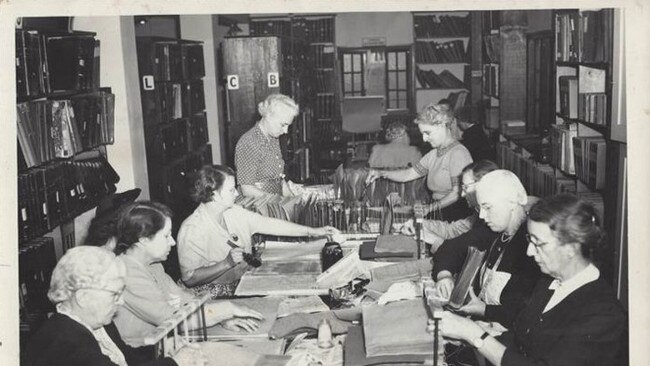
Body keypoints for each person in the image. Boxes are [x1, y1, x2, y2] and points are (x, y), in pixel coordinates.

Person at [438, 194, 627, 366]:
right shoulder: (549, 282)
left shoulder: (604, 314)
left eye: (539, 244)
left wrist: (474, 335)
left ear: (572, 247)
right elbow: (524, 340)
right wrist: (474, 333)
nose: (529, 252)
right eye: (530, 241)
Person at [112, 201, 264, 347]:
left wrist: (221, 317)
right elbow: (170, 319)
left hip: (163, 344)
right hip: (140, 356)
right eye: (166, 236)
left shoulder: (153, 265)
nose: (172, 242)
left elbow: (183, 299)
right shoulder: (127, 273)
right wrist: (226, 309)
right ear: (144, 240)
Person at [177, 165, 340, 298]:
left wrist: (313, 231)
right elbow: (190, 279)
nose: (236, 193)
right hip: (207, 297)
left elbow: (270, 224)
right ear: (214, 195)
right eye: (231, 190)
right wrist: (226, 264)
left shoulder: (234, 211)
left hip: (239, 284)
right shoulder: (192, 229)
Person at [24, 246, 204, 366]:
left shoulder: (97, 324)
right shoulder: (66, 341)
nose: (121, 301)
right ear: (84, 297)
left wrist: (162, 347)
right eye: (114, 295)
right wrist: (175, 363)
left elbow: (126, 357)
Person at [433, 170, 540, 331]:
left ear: (511, 203)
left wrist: (483, 310)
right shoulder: (492, 232)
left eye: (488, 207)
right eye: (480, 208)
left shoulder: (532, 248)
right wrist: (444, 276)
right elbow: (450, 247)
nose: (482, 216)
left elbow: (525, 313)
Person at [366, 103, 473, 221]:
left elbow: (457, 193)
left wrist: (429, 208)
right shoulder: (434, 154)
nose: (424, 139)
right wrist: (381, 173)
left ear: (442, 126)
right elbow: (409, 174)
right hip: (439, 211)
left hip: (454, 215)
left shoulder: (458, 153)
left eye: (427, 133)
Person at [401, 160, 499, 253]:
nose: (462, 195)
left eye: (465, 188)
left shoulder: (494, 223)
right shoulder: (478, 215)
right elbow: (452, 230)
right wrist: (421, 224)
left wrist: (432, 239)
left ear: (482, 186)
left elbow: (461, 255)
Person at [235, 93, 301, 197]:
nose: (285, 131)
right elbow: (247, 189)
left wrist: (292, 199)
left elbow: (278, 179)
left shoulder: (273, 139)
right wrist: (277, 201)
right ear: (269, 116)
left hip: (272, 203)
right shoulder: (248, 142)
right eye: (283, 125)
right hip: (255, 206)